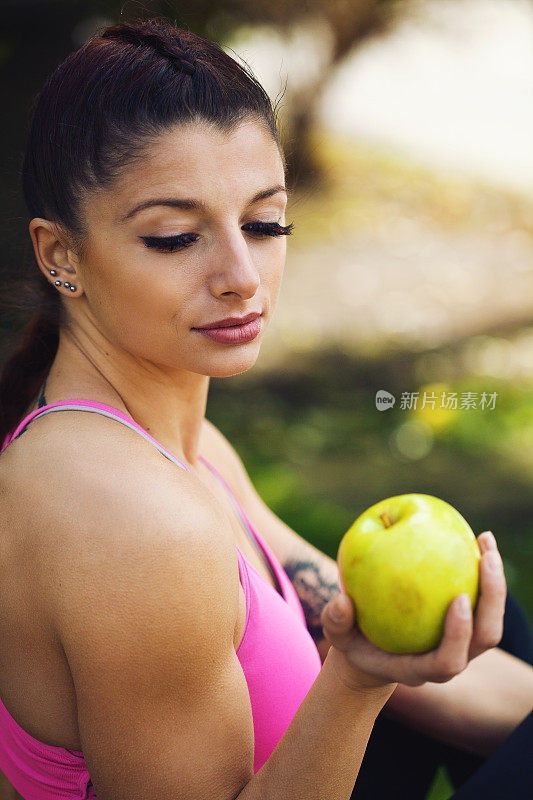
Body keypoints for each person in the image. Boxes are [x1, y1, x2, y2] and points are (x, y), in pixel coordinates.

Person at [0, 16, 527, 800]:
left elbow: (380, 637)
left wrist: (373, 663)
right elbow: (357, 662)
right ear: (60, 256)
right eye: (176, 238)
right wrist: (353, 680)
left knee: (491, 616)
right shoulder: (132, 525)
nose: (242, 275)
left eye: (263, 222)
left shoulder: (186, 445)